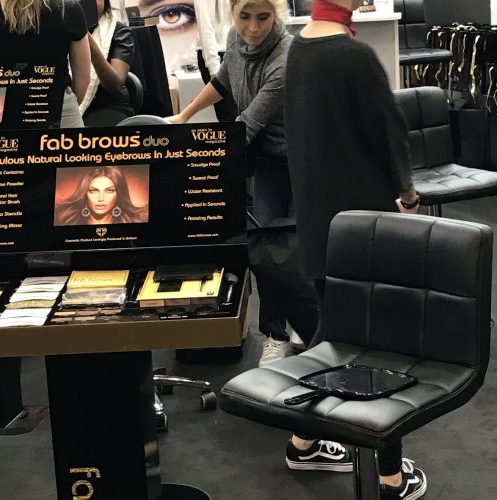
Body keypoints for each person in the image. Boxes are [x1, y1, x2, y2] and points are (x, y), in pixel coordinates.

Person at [284, 0, 424, 498]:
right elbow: (390, 131)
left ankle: (303, 441)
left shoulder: (298, 49)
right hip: (365, 223)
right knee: (382, 346)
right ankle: (390, 477)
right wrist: (408, 195)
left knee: (334, 334)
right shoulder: (353, 55)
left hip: (319, 222)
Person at [169, 0, 306, 367]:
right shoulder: (235, 38)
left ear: (276, 14)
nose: (253, 27)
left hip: (302, 159)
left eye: (263, 17)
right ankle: (276, 334)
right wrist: (184, 116)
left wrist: (196, 157)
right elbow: (222, 81)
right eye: (245, 17)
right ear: (233, 13)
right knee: (267, 249)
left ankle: (306, 323)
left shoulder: (286, 57)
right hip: (269, 159)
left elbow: (246, 125)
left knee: (297, 249)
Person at [0, 0, 90, 128]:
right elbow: (83, 79)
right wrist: (64, 105)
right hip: (59, 110)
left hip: (4, 111)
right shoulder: (68, 9)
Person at [80, 0, 137, 126]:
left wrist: (84, 35)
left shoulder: (120, 32)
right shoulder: (64, 29)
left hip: (109, 106)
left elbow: (115, 85)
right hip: (70, 104)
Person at [55, 166, 149, 225]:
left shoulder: (135, 223)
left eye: (109, 191)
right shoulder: (64, 222)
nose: (101, 198)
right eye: (93, 191)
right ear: (85, 194)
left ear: (119, 194)